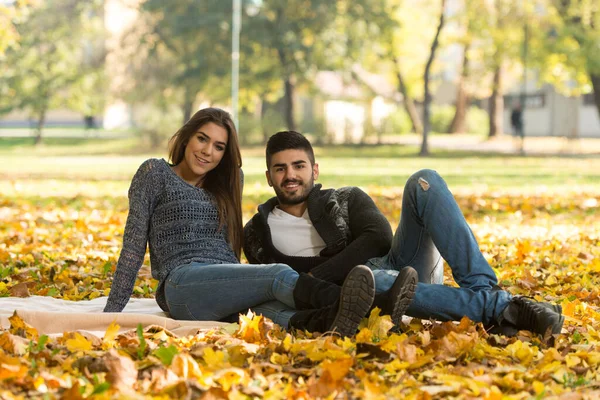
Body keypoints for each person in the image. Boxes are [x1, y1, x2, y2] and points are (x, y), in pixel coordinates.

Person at [102, 108, 415, 337]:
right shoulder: (154, 174)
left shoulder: (228, 181)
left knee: (272, 310)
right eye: (202, 139)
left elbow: (228, 249)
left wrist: (242, 283)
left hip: (222, 281)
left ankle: (332, 324)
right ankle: (377, 307)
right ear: (187, 137)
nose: (207, 151)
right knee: (279, 275)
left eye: (219, 147)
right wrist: (110, 315)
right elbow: (132, 248)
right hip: (182, 285)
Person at [244, 130, 565, 336]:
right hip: (357, 296)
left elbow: (379, 238)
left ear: (314, 170)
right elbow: (273, 287)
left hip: (399, 263)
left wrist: (317, 275)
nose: (291, 176)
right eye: (280, 168)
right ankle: (502, 308)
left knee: (424, 181)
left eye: (298, 166)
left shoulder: (345, 198)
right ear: (269, 177)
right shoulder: (258, 233)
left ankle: (486, 294)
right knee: (376, 280)